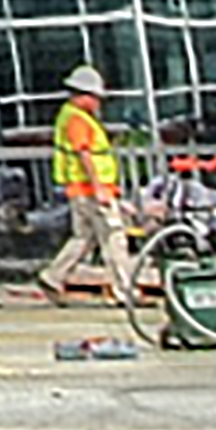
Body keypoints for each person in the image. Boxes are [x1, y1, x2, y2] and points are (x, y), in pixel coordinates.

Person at [43, 60, 136, 296]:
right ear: (82, 95)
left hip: (80, 190)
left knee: (84, 237)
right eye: (95, 97)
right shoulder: (77, 120)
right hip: (91, 190)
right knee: (114, 238)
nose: (98, 103)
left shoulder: (71, 116)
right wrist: (99, 189)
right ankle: (124, 289)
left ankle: (53, 276)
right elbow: (84, 154)